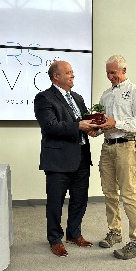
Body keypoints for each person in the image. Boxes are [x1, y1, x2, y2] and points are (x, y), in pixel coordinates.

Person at [89, 55, 136, 260]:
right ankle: (115, 231)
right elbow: (104, 122)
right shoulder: (105, 95)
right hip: (107, 147)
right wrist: (96, 129)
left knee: (129, 194)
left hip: (125, 147)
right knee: (109, 192)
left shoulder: (134, 92)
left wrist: (116, 123)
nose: (110, 76)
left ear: (124, 70)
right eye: (108, 73)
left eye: (113, 72)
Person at [34, 60, 94, 257]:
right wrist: (79, 126)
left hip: (82, 157)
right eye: (68, 72)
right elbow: (50, 126)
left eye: (73, 72)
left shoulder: (77, 97)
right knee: (55, 202)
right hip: (58, 159)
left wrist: (94, 129)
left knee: (80, 200)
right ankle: (55, 239)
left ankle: (74, 234)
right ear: (56, 77)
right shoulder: (43, 98)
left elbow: (85, 122)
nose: (72, 75)